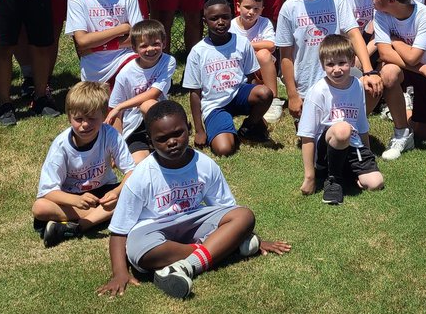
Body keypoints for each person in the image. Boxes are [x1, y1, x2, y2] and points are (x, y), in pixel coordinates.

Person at [98, 100, 290, 299]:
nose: (172, 141)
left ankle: (188, 265)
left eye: (177, 133)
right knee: (140, 251)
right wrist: (120, 273)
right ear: (150, 140)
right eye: (162, 138)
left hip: (194, 222)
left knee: (244, 216)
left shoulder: (205, 164)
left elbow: (226, 209)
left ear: (188, 129)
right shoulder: (141, 175)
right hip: (153, 229)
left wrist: (246, 231)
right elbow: (119, 231)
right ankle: (220, 249)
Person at [276, 0, 390, 127]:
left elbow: (353, 33)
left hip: (338, 76)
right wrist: (292, 95)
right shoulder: (289, 8)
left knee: (366, 95)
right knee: (321, 138)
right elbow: (286, 57)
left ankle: (355, 123)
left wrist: (369, 71)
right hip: (307, 83)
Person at [34, 81, 136, 247]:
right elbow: (47, 192)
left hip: (104, 194)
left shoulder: (110, 134)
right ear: (69, 117)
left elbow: (132, 172)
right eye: (79, 119)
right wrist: (75, 200)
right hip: (72, 197)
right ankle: (101, 216)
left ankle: (79, 226)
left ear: (104, 116)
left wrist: (117, 192)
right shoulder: (61, 145)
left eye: (91, 118)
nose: (85, 124)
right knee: (40, 208)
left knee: (133, 194)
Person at [298, 34, 386, 205]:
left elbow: (361, 125)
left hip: (352, 145)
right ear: (322, 65)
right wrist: (309, 176)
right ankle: (333, 180)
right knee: (342, 129)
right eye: (330, 64)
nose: (336, 69)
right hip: (327, 148)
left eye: (342, 63)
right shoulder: (317, 92)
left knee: (376, 183)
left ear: (352, 62)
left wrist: (367, 155)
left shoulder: (357, 86)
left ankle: (347, 171)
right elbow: (307, 135)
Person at [182, 0, 273, 156]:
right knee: (224, 149)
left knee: (265, 93)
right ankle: (224, 127)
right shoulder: (198, 52)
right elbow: (195, 93)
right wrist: (199, 130)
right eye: (214, 18)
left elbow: (251, 77)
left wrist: (257, 115)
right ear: (205, 21)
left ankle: (248, 127)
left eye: (225, 17)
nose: (221, 22)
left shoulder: (242, 43)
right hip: (216, 104)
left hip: (238, 94)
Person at [372, 0, 426, 151]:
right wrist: (424, 69)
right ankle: (401, 132)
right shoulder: (380, 12)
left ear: (392, 0)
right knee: (388, 72)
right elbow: (385, 54)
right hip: (421, 70)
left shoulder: (425, 15)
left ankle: (401, 109)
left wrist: (394, 40)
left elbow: (412, 57)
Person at [108, 19, 177, 161]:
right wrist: (116, 148)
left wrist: (121, 105)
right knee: (140, 164)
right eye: (144, 46)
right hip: (134, 126)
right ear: (134, 48)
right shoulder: (125, 74)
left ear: (164, 44)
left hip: (161, 120)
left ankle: (164, 139)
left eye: (156, 44)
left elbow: (154, 93)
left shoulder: (168, 61)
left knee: (149, 104)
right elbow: (116, 113)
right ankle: (145, 146)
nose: (150, 49)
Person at [231, 0, 280, 122]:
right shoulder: (232, 26)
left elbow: (271, 44)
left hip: (260, 67)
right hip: (240, 67)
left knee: (263, 54)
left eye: (256, 9)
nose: (251, 12)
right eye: (247, 7)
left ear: (262, 10)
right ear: (238, 6)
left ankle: (273, 99)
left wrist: (247, 45)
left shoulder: (264, 23)